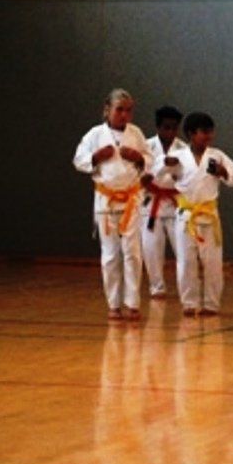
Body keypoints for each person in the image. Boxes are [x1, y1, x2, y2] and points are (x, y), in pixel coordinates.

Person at [73, 88, 153, 320]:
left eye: (129, 110)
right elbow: (78, 159)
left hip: (131, 199)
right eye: (119, 110)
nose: (124, 115)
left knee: (133, 252)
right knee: (110, 254)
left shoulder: (136, 133)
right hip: (106, 200)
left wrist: (139, 158)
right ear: (107, 110)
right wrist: (96, 157)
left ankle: (133, 303)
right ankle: (114, 304)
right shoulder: (95, 134)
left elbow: (151, 159)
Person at [155, 112, 233, 316]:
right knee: (186, 262)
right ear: (191, 134)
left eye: (211, 131)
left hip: (209, 215)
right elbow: (155, 174)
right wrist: (165, 163)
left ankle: (212, 304)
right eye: (204, 132)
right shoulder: (178, 157)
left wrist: (223, 172)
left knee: (212, 263)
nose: (209, 136)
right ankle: (190, 303)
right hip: (186, 215)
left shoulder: (217, 156)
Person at [141, 106, 186, 299]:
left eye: (174, 128)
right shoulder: (146, 147)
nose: (170, 132)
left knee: (183, 249)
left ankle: (186, 289)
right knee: (151, 249)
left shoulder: (183, 149)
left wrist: (177, 177)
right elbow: (139, 174)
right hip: (151, 202)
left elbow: (187, 177)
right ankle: (157, 287)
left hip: (175, 203)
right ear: (158, 127)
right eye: (166, 127)